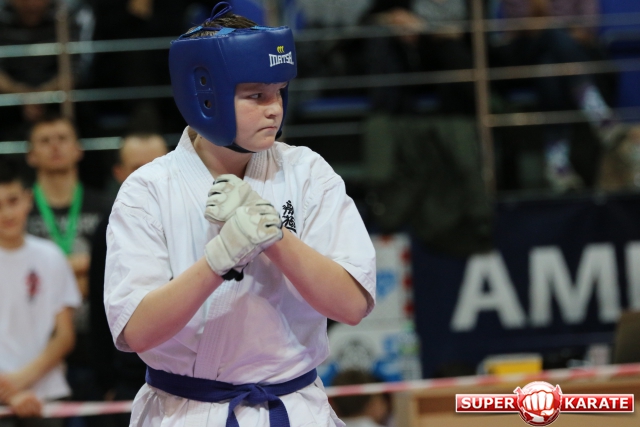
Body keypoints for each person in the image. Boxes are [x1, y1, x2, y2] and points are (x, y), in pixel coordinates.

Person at [104, 3, 376, 427]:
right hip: (186, 412)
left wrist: (273, 236)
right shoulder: (148, 190)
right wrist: (219, 259)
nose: (275, 108)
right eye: (256, 96)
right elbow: (137, 331)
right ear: (205, 95)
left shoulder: (307, 172)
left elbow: (352, 306)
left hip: (295, 408)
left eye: (279, 91)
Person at [25, 115, 111, 405]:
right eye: (45, 141)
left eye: (62, 139)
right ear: (31, 154)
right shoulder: (17, 210)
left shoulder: (107, 206)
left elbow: (114, 271)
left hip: (97, 343)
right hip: (37, 352)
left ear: (78, 149)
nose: (55, 146)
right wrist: (85, 266)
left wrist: (53, 274)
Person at [88, 133, 167, 427]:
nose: (148, 174)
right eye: (137, 167)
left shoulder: (199, 217)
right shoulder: (107, 227)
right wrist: (106, 381)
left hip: (190, 374)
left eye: (156, 163)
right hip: (128, 377)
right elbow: (99, 308)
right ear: (119, 173)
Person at [0, 159, 81, 427]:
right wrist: (10, 392)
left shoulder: (51, 256)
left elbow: (64, 335)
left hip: (46, 393)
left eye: (13, 201)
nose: (6, 213)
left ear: (28, 199)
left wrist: (18, 382)